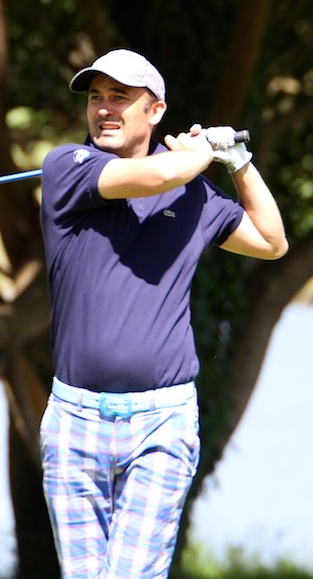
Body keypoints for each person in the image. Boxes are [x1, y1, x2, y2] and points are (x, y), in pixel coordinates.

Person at [38, 49, 287, 578]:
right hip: (74, 422)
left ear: (155, 111)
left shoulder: (194, 194)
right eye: (95, 97)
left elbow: (271, 241)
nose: (104, 109)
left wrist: (237, 163)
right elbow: (153, 177)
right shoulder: (69, 168)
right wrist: (201, 151)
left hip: (162, 423)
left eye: (120, 98)